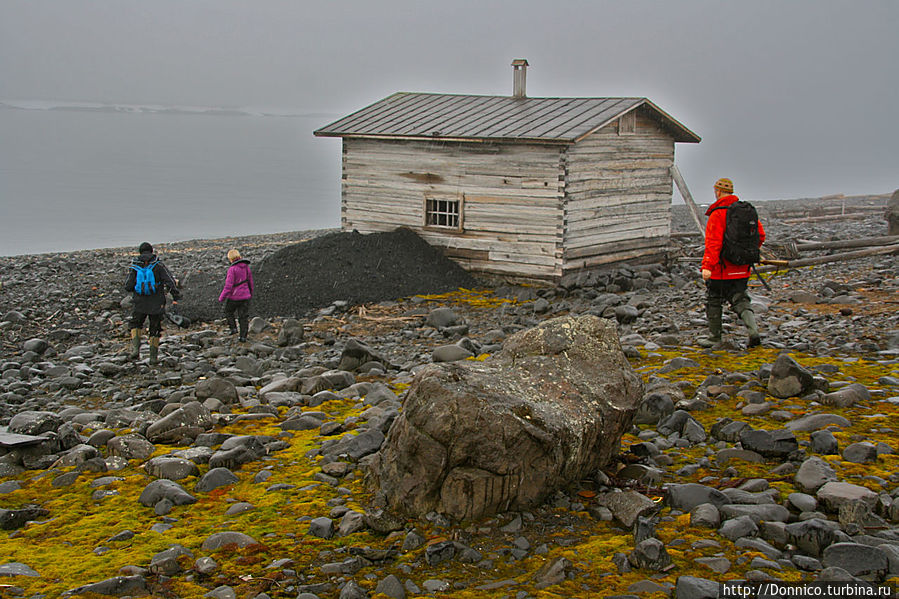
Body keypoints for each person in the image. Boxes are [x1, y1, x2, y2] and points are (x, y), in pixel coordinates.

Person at [700, 178, 766, 348]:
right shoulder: (746, 212)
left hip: (721, 269)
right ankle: (753, 331)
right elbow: (761, 235)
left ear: (718, 191)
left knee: (714, 300)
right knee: (741, 298)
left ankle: (714, 338)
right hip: (742, 268)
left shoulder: (717, 213)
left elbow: (713, 243)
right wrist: (745, 255)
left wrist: (707, 266)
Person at [123, 242, 181, 364]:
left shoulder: (135, 266)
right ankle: (153, 357)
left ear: (140, 252)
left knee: (136, 324)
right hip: (156, 301)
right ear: (151, 251)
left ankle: (135, 350)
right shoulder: (158, 265)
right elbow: (169, 280)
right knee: (155, 327)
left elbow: (128, 286)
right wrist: (175, 294)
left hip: (139, 302)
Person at [218, 249, 254, 342]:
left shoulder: (232, 269)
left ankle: (233, 328)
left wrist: (222, 297)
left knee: (228, 311)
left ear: (230, 258)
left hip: (234, 297)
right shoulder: (246, 267)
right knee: (243, 317)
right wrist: (250, 293)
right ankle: (243, 337)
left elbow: (228, 286)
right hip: (245, 296)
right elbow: (250, 282)